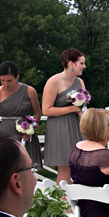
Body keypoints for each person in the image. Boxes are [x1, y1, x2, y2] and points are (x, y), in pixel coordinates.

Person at [0, 61, 43, 166]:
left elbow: (37, 114)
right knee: (8, 167)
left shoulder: (30, 91)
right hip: (6, 132)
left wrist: (30, 130)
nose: (5, 84)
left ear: (17, 76)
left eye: (9, 81)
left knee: (28, 167)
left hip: (26, 132)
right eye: (2, 80)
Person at [41, 48, 87, 186]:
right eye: (82, 63)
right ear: (71, 64)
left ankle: (78, 202)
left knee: (81, 167)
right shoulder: (53, 81)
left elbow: (83, 105)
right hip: (59, 127)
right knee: (65, 168)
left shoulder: (80, 82)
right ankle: (64, 205)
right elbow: (46, 110)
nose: (84, 66)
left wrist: (84, 112)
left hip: (77, 125)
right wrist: (72, 108)